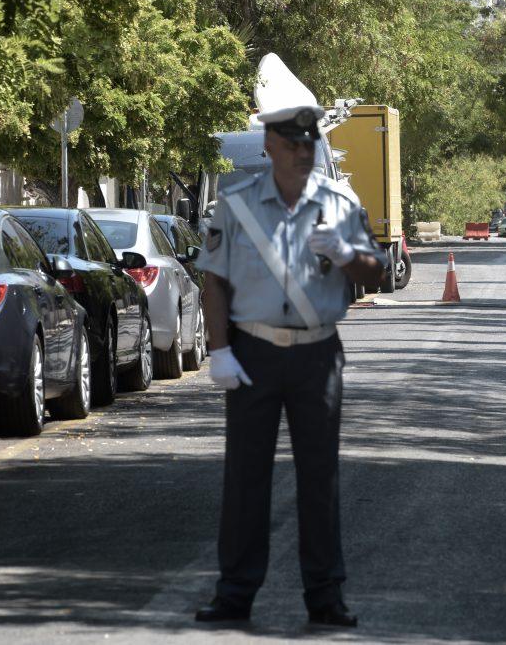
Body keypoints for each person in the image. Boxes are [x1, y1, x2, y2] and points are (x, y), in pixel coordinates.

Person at [193, 70, 384, 627]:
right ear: (270, 144)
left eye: (311, 142)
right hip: (252, 353)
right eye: (294, 142)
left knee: (319, 478)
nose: (305, 150)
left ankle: (325, 595)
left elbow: (375, 268)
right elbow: (214, 283)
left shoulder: (340, 202)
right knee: (245, 477)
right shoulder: (236, 204)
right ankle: (235, 593)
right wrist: (219, 350)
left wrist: (348, 253)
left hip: (317, 356)